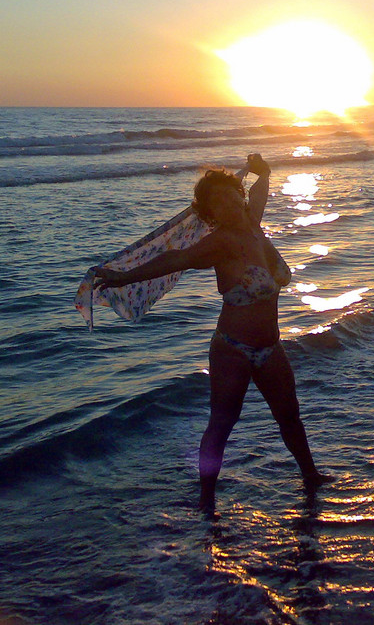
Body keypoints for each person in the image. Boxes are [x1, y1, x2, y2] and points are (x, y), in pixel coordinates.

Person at [92, 153, 332, 514]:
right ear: (209, 214)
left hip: (270, 346)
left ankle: (310, 476)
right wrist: (122, 277)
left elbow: (263, 184)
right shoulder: (218, 243)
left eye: (229, 194)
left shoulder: (254, 224)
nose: (226, 202)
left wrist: (260, 168)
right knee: (222, 423)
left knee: (290, 416)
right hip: (232, 349)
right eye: (215, 201)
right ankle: (206, 499)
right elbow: (175, 259)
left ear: (240, 195)